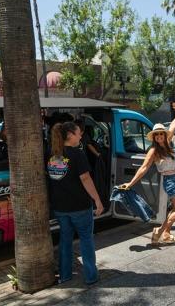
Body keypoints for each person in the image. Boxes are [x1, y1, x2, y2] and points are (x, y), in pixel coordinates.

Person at [121, 102, 175, 244]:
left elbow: (174, 125)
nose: (158, 136)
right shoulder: (153, 151)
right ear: (154, 137)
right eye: (156, 135)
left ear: (164, 134)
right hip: (171, 181)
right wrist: (131, 183)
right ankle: (160, 230)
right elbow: (143, 168)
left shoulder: (168, 142)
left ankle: (166, 234)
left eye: (160, 134)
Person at [47, 122, 104, 285]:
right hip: (79, 206)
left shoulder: (52, 154)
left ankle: (65, 276)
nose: (81, 136)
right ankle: (91, 276)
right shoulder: (77, 154)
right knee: (86, 239)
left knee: (65, 241)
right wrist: (97, 200)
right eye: (79, 133)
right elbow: (85, 179)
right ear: (70, 135)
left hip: (60, 207)